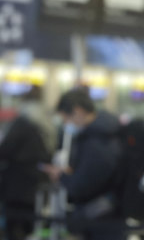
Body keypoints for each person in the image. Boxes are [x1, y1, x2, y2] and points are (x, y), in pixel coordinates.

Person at [41, 88, 124, 240]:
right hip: (106, 219)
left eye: (65, 119)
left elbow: (82, 185)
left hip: (102, 223)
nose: (66, 124)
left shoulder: (97, 141)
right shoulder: (102, 135)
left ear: (77, 111)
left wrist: (61, 176)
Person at [0, 115, 51, 240]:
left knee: (16, 226)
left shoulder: (19, 126)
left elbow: (4, 151)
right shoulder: (30, 128)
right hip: (30, 189)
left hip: (18, 189)